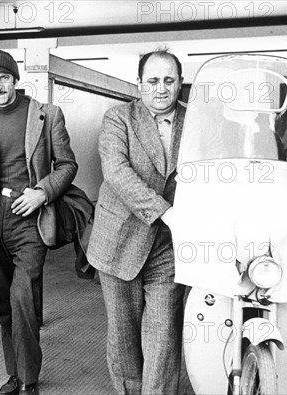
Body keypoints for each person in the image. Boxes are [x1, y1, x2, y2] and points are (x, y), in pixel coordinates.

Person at [0, 50, 77, 395]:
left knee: (23, 298)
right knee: (3, 303)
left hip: (31, 222)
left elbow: (67, 165)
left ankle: (28, 379)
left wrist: (42, 193)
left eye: (4, 78)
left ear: (15, 80)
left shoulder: (47, 116)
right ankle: (14, 373)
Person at [86, 49, 186, 394]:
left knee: (163, 334)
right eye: (153, 81)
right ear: (140, 84)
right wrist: (165, 211)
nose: (161, 89)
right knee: (124, 335)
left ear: (180, 83)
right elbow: (116, 172)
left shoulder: (197, 122)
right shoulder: (118, 118)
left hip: (168, 247)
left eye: (169, 80)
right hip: (118, 242)